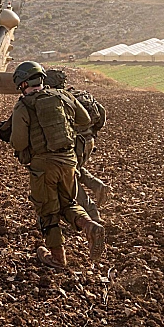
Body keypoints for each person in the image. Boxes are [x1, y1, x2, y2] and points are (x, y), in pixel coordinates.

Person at [10, 61, 106, 269]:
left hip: (44, 166)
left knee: (48, 211)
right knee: (68, 203)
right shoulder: (63, 96)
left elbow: (18, 142)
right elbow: (85, 118)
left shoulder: (23, 106)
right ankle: (90, 225)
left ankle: (57, 257)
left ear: (23, 84)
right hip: (69, 160)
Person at [45, 69, 110, 223]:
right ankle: (98, 186)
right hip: (88, 141)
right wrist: (92, 134)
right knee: (76, 169)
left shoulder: (58, 100)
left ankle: (92, 212)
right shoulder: (81, 94)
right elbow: (101, 113)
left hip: (76, 143)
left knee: (69, 180)